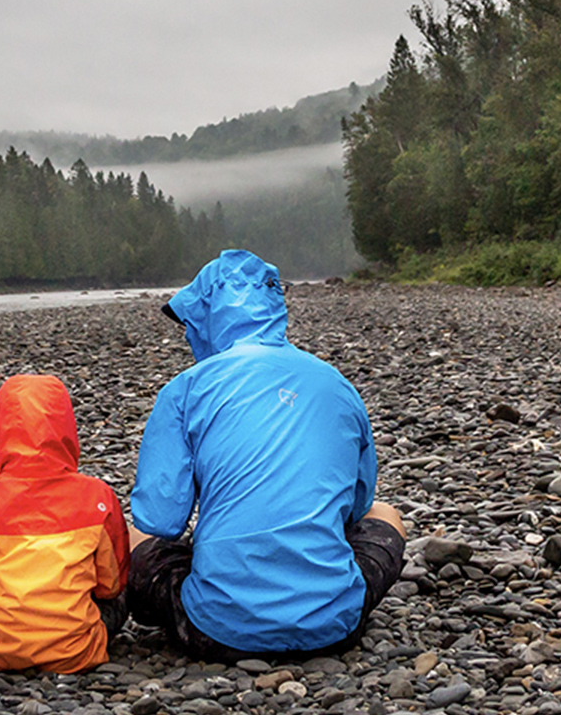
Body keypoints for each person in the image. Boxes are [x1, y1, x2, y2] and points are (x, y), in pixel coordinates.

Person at [126, 249, 406, 660]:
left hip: (217, 631)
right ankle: (318, 593)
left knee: (131, 534)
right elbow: (359, 506)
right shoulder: (337, 384)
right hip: (333, 628)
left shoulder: (185, 390)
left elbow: (159, 520)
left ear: (206, 317)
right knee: (387, 515)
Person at [0, 374, 129, 673]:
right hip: (78, 651)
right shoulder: (97, 495)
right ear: (67, 428)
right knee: (124, 591)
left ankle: (6, 630)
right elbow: (110, 586)